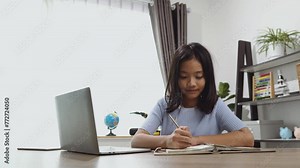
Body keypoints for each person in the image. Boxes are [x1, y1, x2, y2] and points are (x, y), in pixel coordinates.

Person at [131, 42, 254, 149]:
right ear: (175, 78)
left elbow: (247, 138)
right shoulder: (164, 105)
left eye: (199, 76)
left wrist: (197, 140)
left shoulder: (216, 106)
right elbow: (136, 140)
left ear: (207, 77)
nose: (192, 83)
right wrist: (167, 141)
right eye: (184, 77)